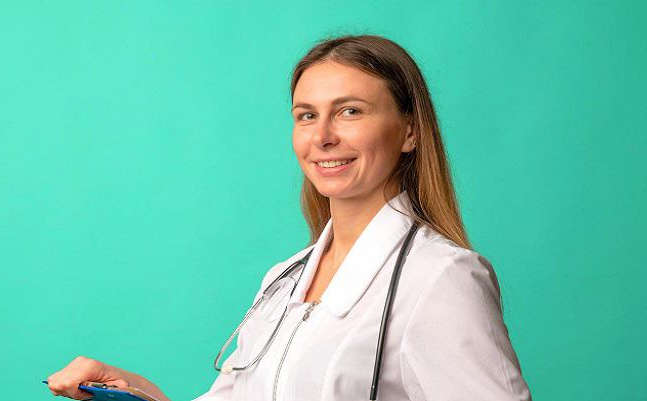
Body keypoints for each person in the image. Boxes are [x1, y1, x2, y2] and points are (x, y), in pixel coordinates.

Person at [46, 34, 532, 401]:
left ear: (409, 131)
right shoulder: (284, 280)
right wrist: (127, 390)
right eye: (306, 115)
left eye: (350, 111)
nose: (322, 136)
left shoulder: (440, 278)